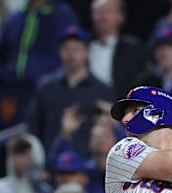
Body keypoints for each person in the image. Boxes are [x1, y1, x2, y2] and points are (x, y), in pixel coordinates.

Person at [25, 24, 113, 158]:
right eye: (66, 49)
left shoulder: (103, 90)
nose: (70, 54)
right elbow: (34, 129)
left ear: (87, 53)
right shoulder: (46, 88)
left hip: (90, 167)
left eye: (76, 49)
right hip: (53, 166)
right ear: (59, 52)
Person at [88, 0, 150, 99]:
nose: (102, 17)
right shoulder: (83, 48)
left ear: (121, 17)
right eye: (98, 11)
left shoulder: (134, 50)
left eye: (108, 11)